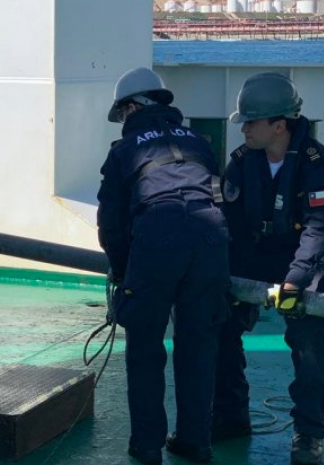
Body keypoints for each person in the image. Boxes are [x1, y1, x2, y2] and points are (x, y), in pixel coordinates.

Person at [97, 67, 230, 464]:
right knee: (198, 346)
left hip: (158, 239)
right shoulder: (199, 142)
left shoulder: (125, 150)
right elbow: (216, 193)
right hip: (211, 239)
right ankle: (195, 441)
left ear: (133, 106)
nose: (123, 121)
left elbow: (112, 224)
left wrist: (123, 271)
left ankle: (147, 445)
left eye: (122, 114)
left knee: (144, 346)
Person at [213, 72, 324, 465]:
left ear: (279, 126)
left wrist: (295, 281)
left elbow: (321, 230)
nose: (244, 129)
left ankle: (308, 431)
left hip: (307, 262)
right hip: (255, 258)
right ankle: (230, 416)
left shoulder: (320, 166)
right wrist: (223, 276)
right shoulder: (241, 163)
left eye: (251, 122)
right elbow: (229, 223)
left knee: (310, 342)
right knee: (217, 324)